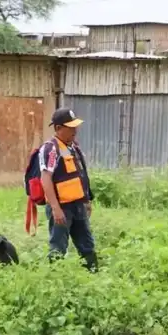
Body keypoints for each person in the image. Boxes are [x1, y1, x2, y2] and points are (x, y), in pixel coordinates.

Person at [38, 107, 98, 272]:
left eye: (75, 126)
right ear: (58, 128)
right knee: (58, 247)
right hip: (61, 208)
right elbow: (46, 178)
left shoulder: (73, 147)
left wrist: (87, 200)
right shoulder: (50, 149)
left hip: (78, 206)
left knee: (87, 245)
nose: (75, 130)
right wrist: (56, 209)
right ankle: (56, 282)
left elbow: (80, 175)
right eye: (70, 127)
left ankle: (93, 276)